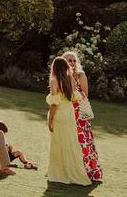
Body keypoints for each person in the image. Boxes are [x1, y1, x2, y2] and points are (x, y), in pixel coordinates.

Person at [46, 56, 91, 186]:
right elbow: (74, 97)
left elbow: (54, 104)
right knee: (71, 143)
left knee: (58, 143)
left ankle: (60, 173)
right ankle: (73, 171)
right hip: (70, 113)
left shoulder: (54, 80)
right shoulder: (71, 79)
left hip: (60, 114)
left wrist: (50, 119)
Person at [63, 50, 103, 181]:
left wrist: (74, 94)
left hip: (79, 112)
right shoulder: (62, 75)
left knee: (82, 140)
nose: (73, 63)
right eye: (70, 60)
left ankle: (87, 170)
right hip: (66, 111)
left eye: (74, 60)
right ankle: (68, 169)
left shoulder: (81, 75)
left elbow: (85, 94)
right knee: (68, 139)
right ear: (64, 61)